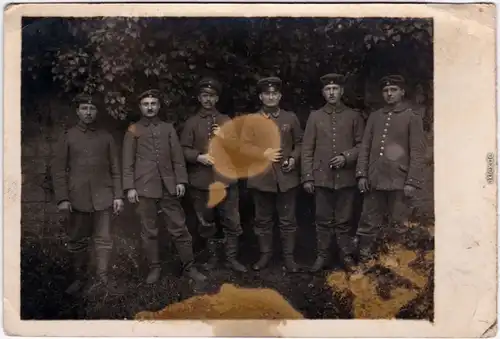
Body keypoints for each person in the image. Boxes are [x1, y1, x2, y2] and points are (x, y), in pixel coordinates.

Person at [122, 89, 207, 285]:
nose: (150, 107)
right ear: (140, 107)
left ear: (159, 106)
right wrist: (130, 188)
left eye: (153, 104)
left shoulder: (168, 128)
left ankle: (189, 267)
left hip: (169, 187)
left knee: (179, 228)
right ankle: (154, 269)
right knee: (149, 230)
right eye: (146, 104)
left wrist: (180, 181)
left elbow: (177, 157)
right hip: (144, 187)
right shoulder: (133, 130)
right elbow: (127, 162)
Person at [51, 93, 124, 295]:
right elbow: (58, 170)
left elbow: (115, 168)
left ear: (97, 112)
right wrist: (63, 198)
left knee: (103, 238)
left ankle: (103, 278)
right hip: (78, 198)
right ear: (78, 111)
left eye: (92, 109)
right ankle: (79, 278)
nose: (88, 112)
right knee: (77, 240)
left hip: (104, 197)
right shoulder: (68, 137)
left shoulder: (106, 137)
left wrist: (118, 195)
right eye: (84, 108)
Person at [354, 74, 426, 275]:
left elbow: (418, 152)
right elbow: (365, 148)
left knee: (398, 224)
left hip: (399, 180)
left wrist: (412, 181)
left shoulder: (412, 117)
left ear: (402, 92)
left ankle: (394, 261)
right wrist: (362, 175)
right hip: (374, 179)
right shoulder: (376, 117)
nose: (389, 94)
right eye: (386, 91)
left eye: (393, 90)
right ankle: (366, 261)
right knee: (368, 221)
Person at [180, 77, 247, 273]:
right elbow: (183, 149)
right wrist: (198, 157)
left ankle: (232, 259)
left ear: (217, 99)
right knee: (206, 222)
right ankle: (212, 259)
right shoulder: (192, 123)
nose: (208, 100)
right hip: (202, 181)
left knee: (232, 221)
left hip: (225, 180)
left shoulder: (226, 120)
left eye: (211, 96)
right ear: (199, 98)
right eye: (204, 96)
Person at [301, 73, 365, 273]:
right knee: (322, 219)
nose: (331, 92)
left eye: (335, 89)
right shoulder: (315, 116)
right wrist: (308, 176)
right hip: (322, 177)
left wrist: (346, 157)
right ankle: (322, 256)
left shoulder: (353, 116)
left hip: (345, 178)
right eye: (328, 89)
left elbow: (362, 145)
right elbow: (306, 149)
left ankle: (345, 255)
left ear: (341, 91)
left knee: (344, 219)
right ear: (323, 93)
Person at [239, 76, 303, 272]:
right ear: (261, 97)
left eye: (274, 93)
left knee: (288, 220)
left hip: (286, 177)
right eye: (267, 94)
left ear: (280, 96)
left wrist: (293, 158)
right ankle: (265, 256)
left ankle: (289, 258)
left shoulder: (290, 118)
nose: (271, 97)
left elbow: (300, 143)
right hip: (262, 178)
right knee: (262, 219)